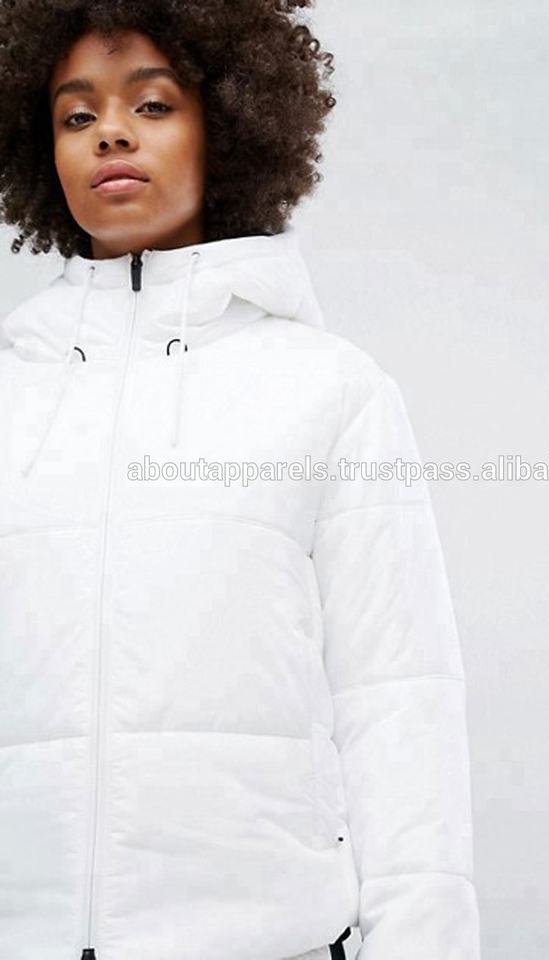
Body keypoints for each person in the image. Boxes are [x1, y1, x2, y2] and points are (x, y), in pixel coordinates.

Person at [0, 2, 481, 959]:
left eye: (153, 104)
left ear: (229, 123)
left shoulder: (329, 390)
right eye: (76, 115)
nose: (112, 134)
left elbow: (398, 696)